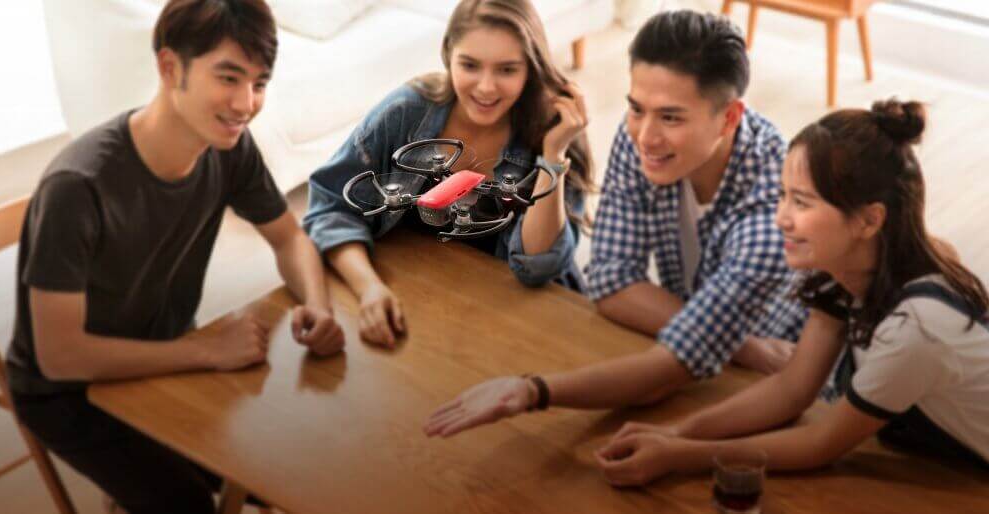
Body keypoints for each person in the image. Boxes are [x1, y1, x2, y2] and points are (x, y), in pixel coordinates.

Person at [5, 1, 345, 512]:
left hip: (165, 354)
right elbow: (60, 356)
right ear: (169, 67)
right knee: (189, 504)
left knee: (283, 470)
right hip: (68, 392)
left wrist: (318, 305)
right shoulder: (77, 187)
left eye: (259, 83)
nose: (246, 103)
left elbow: (289, 239)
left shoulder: (229, 148)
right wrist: (205, 352)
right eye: (228, 77)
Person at [423, 10, 807, 441]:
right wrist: (736, 342)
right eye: (637, 108)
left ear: (730, 118)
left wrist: (531, 391)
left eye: (671, 117)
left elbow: (671, 368)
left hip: (787, 389)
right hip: (729, 359)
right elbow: (611, 280)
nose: (645, 136)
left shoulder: (774, 211)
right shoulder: (645, 139)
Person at [590, 99, 989, 486]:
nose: (780, 217)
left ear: (869, 220)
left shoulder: (917, 328)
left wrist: (678, 456)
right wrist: (676, 433)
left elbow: (821, 443)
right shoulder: (850, 269)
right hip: (939, 462)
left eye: (801, 202)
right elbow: (792, 388)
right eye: (783, 195)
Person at [303, 0, 594, 347]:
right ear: (448, 55)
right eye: (470, 65)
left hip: (525, 321)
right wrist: (369, 288)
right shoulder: (407, 112)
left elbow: (538, 268)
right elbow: (331, 207)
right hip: (426, 307)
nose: (486, 87)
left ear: (531, 69)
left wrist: (553, 157)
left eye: (506, 70)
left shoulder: (555, 132)